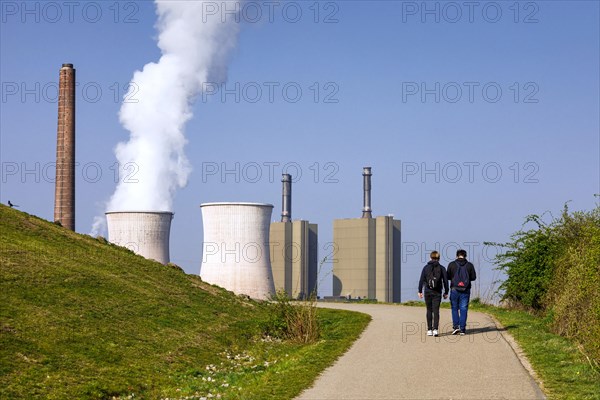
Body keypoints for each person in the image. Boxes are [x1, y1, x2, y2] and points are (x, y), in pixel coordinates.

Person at [418, 251, 449, 337]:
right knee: (436, 311)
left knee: (429, 310)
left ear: (430, 257)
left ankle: (429, 330)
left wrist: (420, 291)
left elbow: (421, 280)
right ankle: (435, 329)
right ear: (439, 258)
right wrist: (446, 291)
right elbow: (445, 281)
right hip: (437, 292)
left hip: (428, 291)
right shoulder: (442, 268)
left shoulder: (426, 267)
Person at [447, 249, 477, 335]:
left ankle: (456, 327)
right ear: (465, 256)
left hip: (454, 289)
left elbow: (448, 276)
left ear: (457, 256)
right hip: (466, 289)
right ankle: (462, 329)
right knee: (464, 309)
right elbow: (474, 277)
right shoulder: (469, 265)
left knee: (454, 308)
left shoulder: (452, 264)